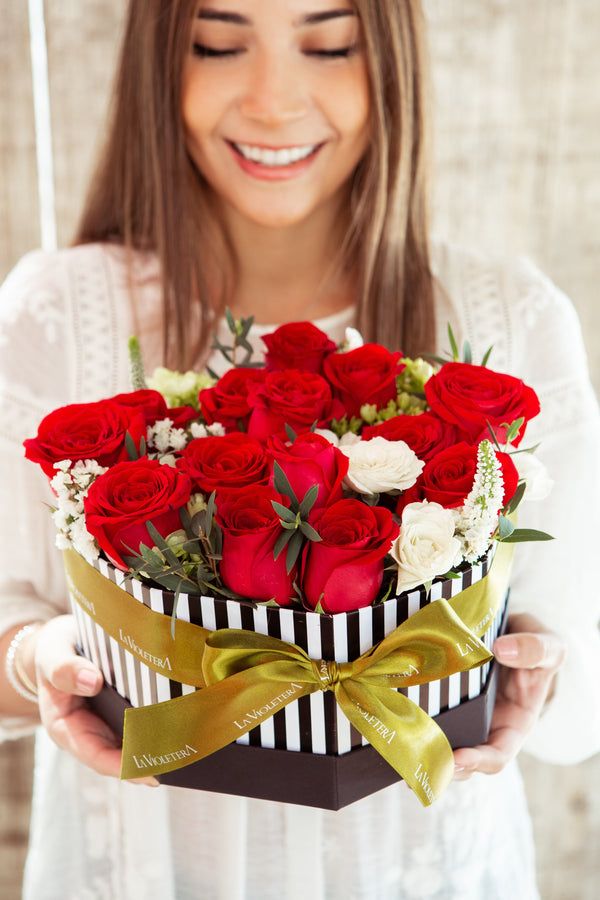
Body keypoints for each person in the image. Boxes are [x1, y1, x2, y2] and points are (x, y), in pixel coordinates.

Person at [1, 1, 599, 897]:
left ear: (390, 63)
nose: (274, 102)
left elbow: (576, 702)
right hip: (139, 870)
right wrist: (40, 662)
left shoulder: (509, 317)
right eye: (217, 43)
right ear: (160, 60)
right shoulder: (59, 312)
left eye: (328, 46)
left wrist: (534, 671)